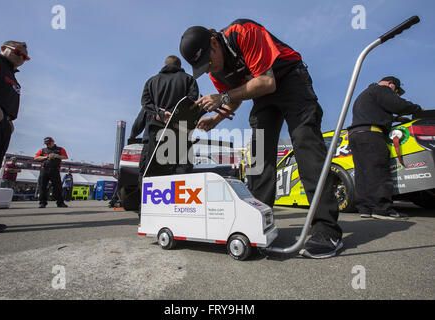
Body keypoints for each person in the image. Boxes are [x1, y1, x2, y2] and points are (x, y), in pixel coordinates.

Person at [180, 19, 343, 258]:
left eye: (208, 61)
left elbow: (267, 81)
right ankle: (257, 224)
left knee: (305, 144)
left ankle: (327, 229)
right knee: (258, 156)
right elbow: (233, 98)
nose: (210, 69)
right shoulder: (217, 71)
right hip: (262, 95)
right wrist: (215, 120)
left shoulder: (243, 32)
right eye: (203, 68)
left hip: (289, 79)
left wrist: (222, 99)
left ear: (214, 42)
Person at [348, 76, 423, 220]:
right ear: (391, 84)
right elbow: (398, 105)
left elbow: (374, 111)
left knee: (363, 172)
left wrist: (395, 119)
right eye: (396, 91)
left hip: (356, 134)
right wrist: (417, 108)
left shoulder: (366, 93)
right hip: (372, 134)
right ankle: (382, 209)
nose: (395, 94)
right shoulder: (382, 89)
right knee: (378, 170)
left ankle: (365, 208)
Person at [0, 40, 29, 234]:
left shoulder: (12, 75)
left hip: (2, 124)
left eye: (25, 56)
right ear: (4, 49)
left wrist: (8, 120)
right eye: (18, 52)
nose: (21, 57)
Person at [139, 55, 199, 186]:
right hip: (181, 132)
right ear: (180, 66)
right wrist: (175, 114)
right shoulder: (189, 80)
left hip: (155, 133)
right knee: (182, 170)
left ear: (164, 65)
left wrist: (159, 113)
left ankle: (149, 203)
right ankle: (178, 203)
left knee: (152, 172)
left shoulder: (151, 81)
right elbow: (192, 101)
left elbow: (145, 103)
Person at [34, 137, 69, 208]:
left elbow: (65, 157)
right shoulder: (43, 150)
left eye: (49, 143)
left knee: (58, 187)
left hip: (55, 170)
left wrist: (56, 156)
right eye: (46, 144)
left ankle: (60, 203)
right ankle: (42, 203)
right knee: (42, 186)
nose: (48, 145)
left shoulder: (60, 149)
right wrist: (46, 157)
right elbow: (36, 158)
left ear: (53, 142)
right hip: (44, 169)